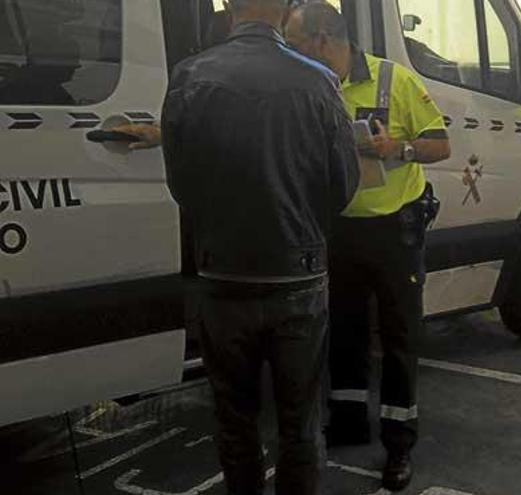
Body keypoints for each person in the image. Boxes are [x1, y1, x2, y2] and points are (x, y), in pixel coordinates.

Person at [160, 0, 360, 493]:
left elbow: (181, 185)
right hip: (299, 278)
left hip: (222, 278)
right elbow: (343, 185)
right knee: (300, 426)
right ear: (285, 12)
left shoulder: (189, 76)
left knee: (235, 423)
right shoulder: (318, 82)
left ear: (229, 11)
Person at [286, 2, 451, 491]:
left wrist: (395, 149)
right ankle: (349, 423)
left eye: (293, 40)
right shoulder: (308, 83)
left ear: (320, 39)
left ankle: (399, 445)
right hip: (338, 229)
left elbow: (440, 145)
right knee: (345, 333)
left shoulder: (392, 80)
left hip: (394, 230)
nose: (288, 49)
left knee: (400, 339)